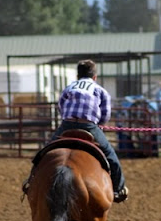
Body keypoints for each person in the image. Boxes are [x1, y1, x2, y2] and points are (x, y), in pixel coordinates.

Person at [23, 60, 129, 202]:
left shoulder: (69, 87)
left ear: (78, 76)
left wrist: (68, 119)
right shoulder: (100, 90)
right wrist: (100, 125)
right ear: (95, 77)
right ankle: (118, 188)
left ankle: (31, 183)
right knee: (111, 155)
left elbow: (61, 107)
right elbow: (105, 114)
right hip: (90, 127)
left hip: (67, 125)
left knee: (44, 152)